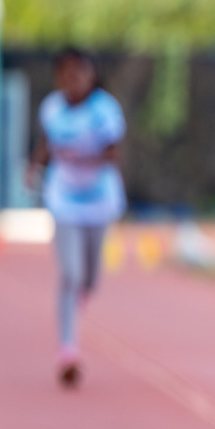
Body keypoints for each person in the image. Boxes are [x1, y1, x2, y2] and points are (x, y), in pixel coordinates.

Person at [27, 48, 127, 387]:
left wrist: (90, 153)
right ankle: (67, 349)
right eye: (66, 75)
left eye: (79, 74)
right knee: (70, 274)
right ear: (58, 78)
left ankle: (78, 298)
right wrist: (35, 166)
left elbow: (114, 151)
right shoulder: (52, 108)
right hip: (64, 200)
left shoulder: (104, 110)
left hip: (99, 200)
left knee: (90, 279)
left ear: (91, 76)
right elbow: (47, 142)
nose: (73, 82)